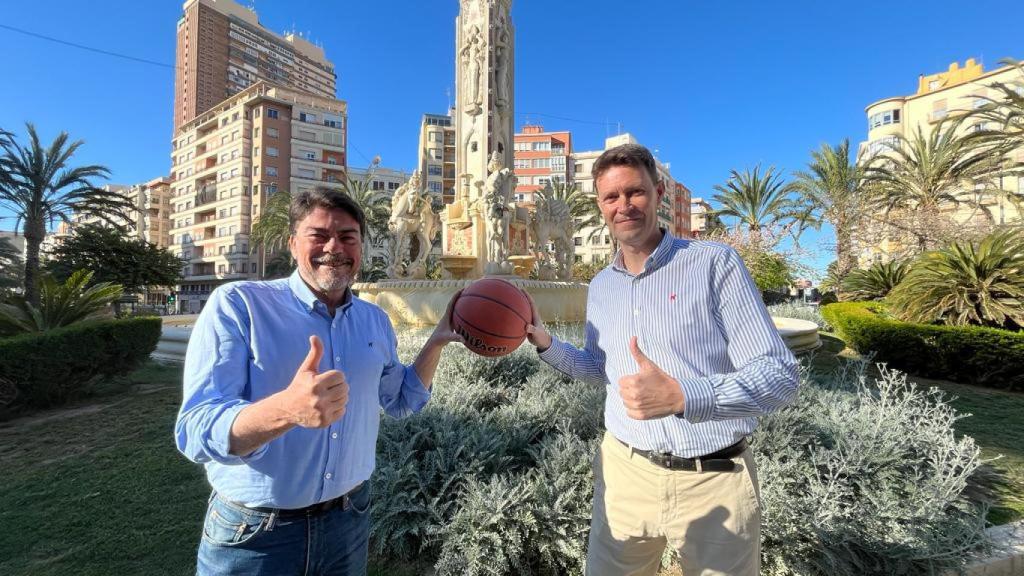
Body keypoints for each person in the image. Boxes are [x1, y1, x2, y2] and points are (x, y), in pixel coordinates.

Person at [524, 144, 799, 576]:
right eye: (611, 197)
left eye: (634, 192)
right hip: (625, 473)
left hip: (714, 478)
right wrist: (545, 343)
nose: (623, 206)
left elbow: (779, 376)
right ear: (600, 205)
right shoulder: (600, 287)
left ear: (658, 193)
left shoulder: (714, 264)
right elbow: (602, 371)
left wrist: (683, 396)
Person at [175, 189, 462, 575]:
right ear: (293, 243)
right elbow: (195, 430)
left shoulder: (374, 320)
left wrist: (438, 338)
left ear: (361, 246)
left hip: (348, 520)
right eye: (319, 235)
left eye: (348, 237)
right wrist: (285, 410)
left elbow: (401, 401)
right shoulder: (239, 305)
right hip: (255, 533)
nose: (334, 247)